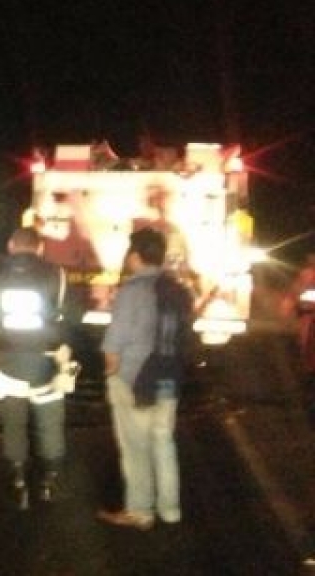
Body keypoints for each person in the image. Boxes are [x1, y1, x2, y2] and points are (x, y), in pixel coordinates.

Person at [0, 227, 70, 510]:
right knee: (49, 425)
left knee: (13, 423)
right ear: (39, 248)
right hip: (47, 362)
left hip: (7, 364)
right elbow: (68, 315)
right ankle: (49, 482)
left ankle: (19, 482)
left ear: (11, 245)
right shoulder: (57, 274)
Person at [97, 227, 188, 530]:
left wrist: (112, 372)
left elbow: (114, 343)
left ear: (135, 257)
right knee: (163, 442)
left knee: (135, 447)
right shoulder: (178, 290)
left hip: (136, 379)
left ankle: (140, 511)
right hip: (169, 377)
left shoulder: (133, 291)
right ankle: (170, 510)